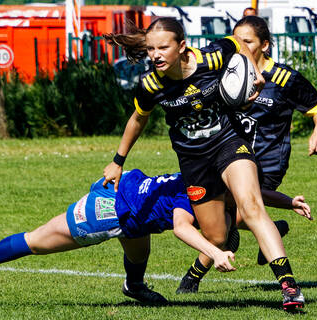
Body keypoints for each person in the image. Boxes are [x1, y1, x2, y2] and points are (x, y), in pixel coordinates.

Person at [102, 17, 305, 310]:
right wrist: (117, 161)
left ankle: (289, 287)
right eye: (150, 49)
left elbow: (237, 43)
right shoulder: (151, 84)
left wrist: (253, 72)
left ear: (182, 46)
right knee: (217, 236)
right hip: (193, 160)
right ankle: (230, 223)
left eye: (163, 48)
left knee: (252, 205)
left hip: (228, 142)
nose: (155, 55)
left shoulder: (210, 57)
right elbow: (138, 119)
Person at [177, 15, 317, 306]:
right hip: (226, 154)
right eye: (238, 40)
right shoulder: (226, 74)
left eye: (249, 42)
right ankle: (273, 229)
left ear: (265, 45)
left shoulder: (283, 78)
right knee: (222, 218)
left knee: (235, 215)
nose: (243, 46)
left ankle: (193, 277)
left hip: (265, 162)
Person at [0, 169, 240, 305]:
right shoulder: (197, 192)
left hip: (131, 203)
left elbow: (254, 202)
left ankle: (134, 286)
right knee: (36, 242)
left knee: (140, 253)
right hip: (109, 208)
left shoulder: (203, 177)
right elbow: (181, 227)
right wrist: (215, 252)